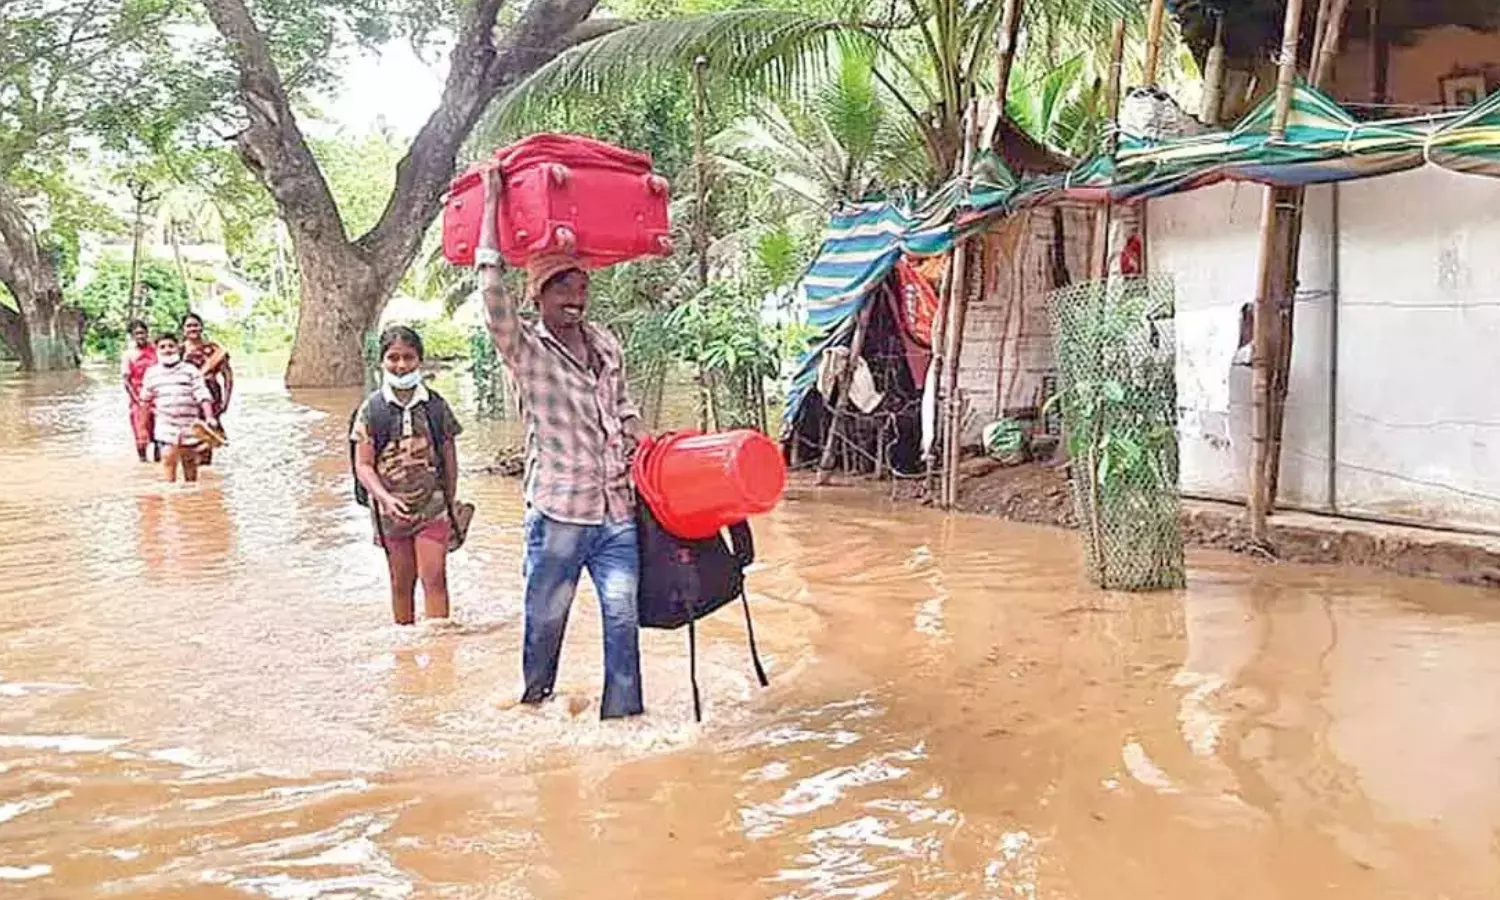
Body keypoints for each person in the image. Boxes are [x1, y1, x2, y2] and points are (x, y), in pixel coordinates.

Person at [476, 168, 647, 720]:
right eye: (563, 287)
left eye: (581, 286)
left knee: (622, 618)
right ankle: (535, 702)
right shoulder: (526, 350)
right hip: (559, 513)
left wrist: (647, 453)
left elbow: (623, 411)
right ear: (539, 295)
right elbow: (490, 288)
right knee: (545, 618)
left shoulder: (606, 345)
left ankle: (623, 720)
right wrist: (493, 200)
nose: (576, 296)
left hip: (616, 510)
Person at [351, 326, 463, 626]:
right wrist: (385, 499)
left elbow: (450, 461)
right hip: (391, 513)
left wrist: (449, 505)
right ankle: (406, 655)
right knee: (401, 585)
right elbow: (363, 465)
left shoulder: (436, 407)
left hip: (433, 507)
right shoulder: (371, 411)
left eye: (409, 358)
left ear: (420, 361)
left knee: (435, 577)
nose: (401, 365)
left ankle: (441, 653)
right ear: (382, 362)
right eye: (393, 358)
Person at [140, 332, 217, 484]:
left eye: (171, 346)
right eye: (162, 347)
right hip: (165, 425)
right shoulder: (152, 373)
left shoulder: (190, 370)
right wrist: (142, 429)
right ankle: (171, 497)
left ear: (178, 348)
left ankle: (190, 499)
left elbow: (203, 394)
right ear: (157, 350)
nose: (167, 350)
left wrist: (209, 417)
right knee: (168, 457)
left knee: (189, 462)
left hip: (189, 424)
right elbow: (145, 401)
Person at [182, 312, 233, 465]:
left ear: (202, 327)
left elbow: (228, 376)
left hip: (211, 394)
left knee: (208, 431)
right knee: (188, 432)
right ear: (183, 329)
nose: (193, 329)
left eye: (196, 325)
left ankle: (206, 467)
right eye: (189, 326)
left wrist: (226, 401)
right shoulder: (178, 350)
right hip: (186, 395)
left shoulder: (214, 350)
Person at [120, 319, 158, 462]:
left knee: (159, 435)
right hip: (138, 399)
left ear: (147, 333)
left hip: (157, 398)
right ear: (132, 336)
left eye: (143, 333)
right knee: (140, 434)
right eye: (137, 334)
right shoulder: (128, 355)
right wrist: (137, 400)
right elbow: (126, 381)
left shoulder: (157, 351)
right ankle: (143, 462)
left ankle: (159, 463)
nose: (140, 336)